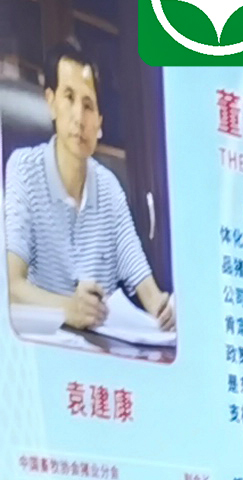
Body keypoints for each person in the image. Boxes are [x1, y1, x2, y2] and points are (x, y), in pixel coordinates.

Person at [4, 49, 173, 340]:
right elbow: (11, 285)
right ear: (51, 102)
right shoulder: (24, 168)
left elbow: (146, 286)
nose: (79, 118)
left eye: (88, 105)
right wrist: (68, 308)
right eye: (69, 97)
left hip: (99, 352)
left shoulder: (109, 188)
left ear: (100, 123)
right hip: (42, 349)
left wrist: (166, 309)